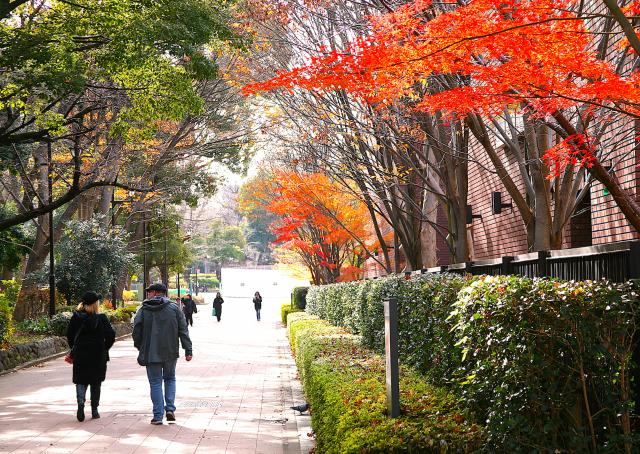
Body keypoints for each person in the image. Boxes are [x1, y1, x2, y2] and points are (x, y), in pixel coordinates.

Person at [133, 283, 193, 425]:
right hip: (170, 351)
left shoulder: (143, 309)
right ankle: (170, 409)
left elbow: (136, 330)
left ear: (156, 292)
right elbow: (183, 329)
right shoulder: (174, 308)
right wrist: (188, 349)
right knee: (170, 378)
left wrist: (140, 346)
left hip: (150, 352)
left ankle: (158, 416)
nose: (148, 294)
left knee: (155, 382)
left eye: (149, 291)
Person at [66, 291, 116, 422]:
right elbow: (111, 335)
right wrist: (105, 348)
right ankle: (94, 410)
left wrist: (75, 348)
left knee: (80, 380)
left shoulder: (75, 318)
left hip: (81, 354)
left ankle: (80, 403)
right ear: (95, 304)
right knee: (96, 382)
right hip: (98, 355)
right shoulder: (101, 318)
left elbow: (70, 336)